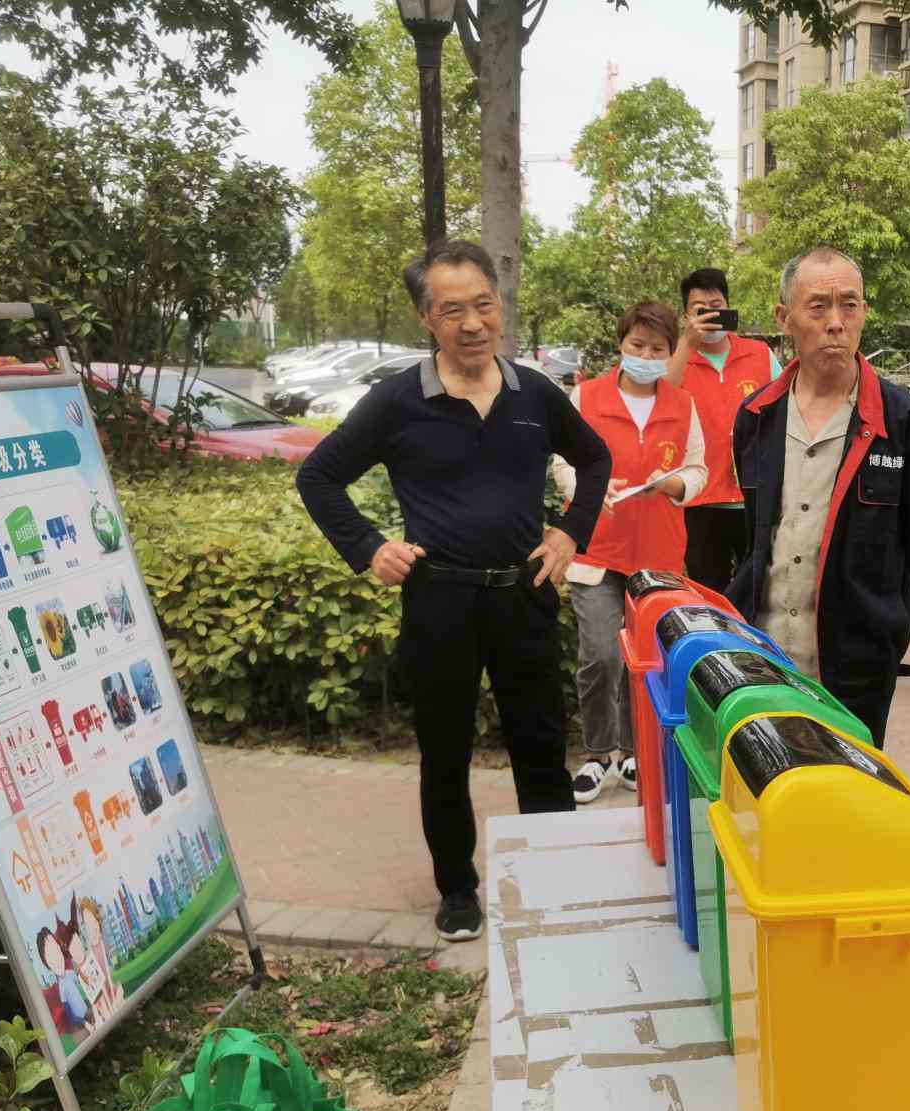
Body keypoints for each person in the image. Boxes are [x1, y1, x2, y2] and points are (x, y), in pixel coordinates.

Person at [297, 238, 612, 943]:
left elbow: (594, 459)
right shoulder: (398, 401)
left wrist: (568, 534)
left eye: (483, 305)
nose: (472, 324)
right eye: (452, 311)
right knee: (443, 751)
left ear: (498, 306)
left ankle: (555, 875)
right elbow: (317, 475)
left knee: (541, 744)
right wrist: (370, 547)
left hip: (523, 591)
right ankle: (458, 888)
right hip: (439, 600)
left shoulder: (535, 392)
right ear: (425, 319)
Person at [727, 247, 910, 747]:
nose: (835, 323)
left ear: (865, 313)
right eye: (818, 306)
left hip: (856, 667)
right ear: (784, 318)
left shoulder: (907, 425)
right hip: (763, 655)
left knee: (849, 805)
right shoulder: (756, 418)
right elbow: (754, 533)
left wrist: (872, 608)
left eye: (849, 305)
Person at [559, 300, 709, 803]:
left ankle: (630, 753)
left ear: (670, 354)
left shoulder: (682, 405)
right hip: (597, 550)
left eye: (657, 348)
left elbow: (698, 470)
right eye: (637, 345)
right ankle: (597, 754)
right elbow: (562, 460)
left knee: (645, 659)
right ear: (621, 345)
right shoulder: (586, 398)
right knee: (601, 655)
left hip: (657, 556)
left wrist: (673, 484)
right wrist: (586, 489)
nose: (646, 354)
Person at [666, 267, 780, 591]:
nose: (710, 315)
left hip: (753, 497)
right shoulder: (677, 361)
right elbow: (661, 405)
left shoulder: (759, 355)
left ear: (728, 305)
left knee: (758, 590)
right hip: (700, 502)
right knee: (709, 591)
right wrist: (687, 345)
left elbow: (786, 409)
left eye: (716, 305)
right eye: (700, 310)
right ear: (686, 315)